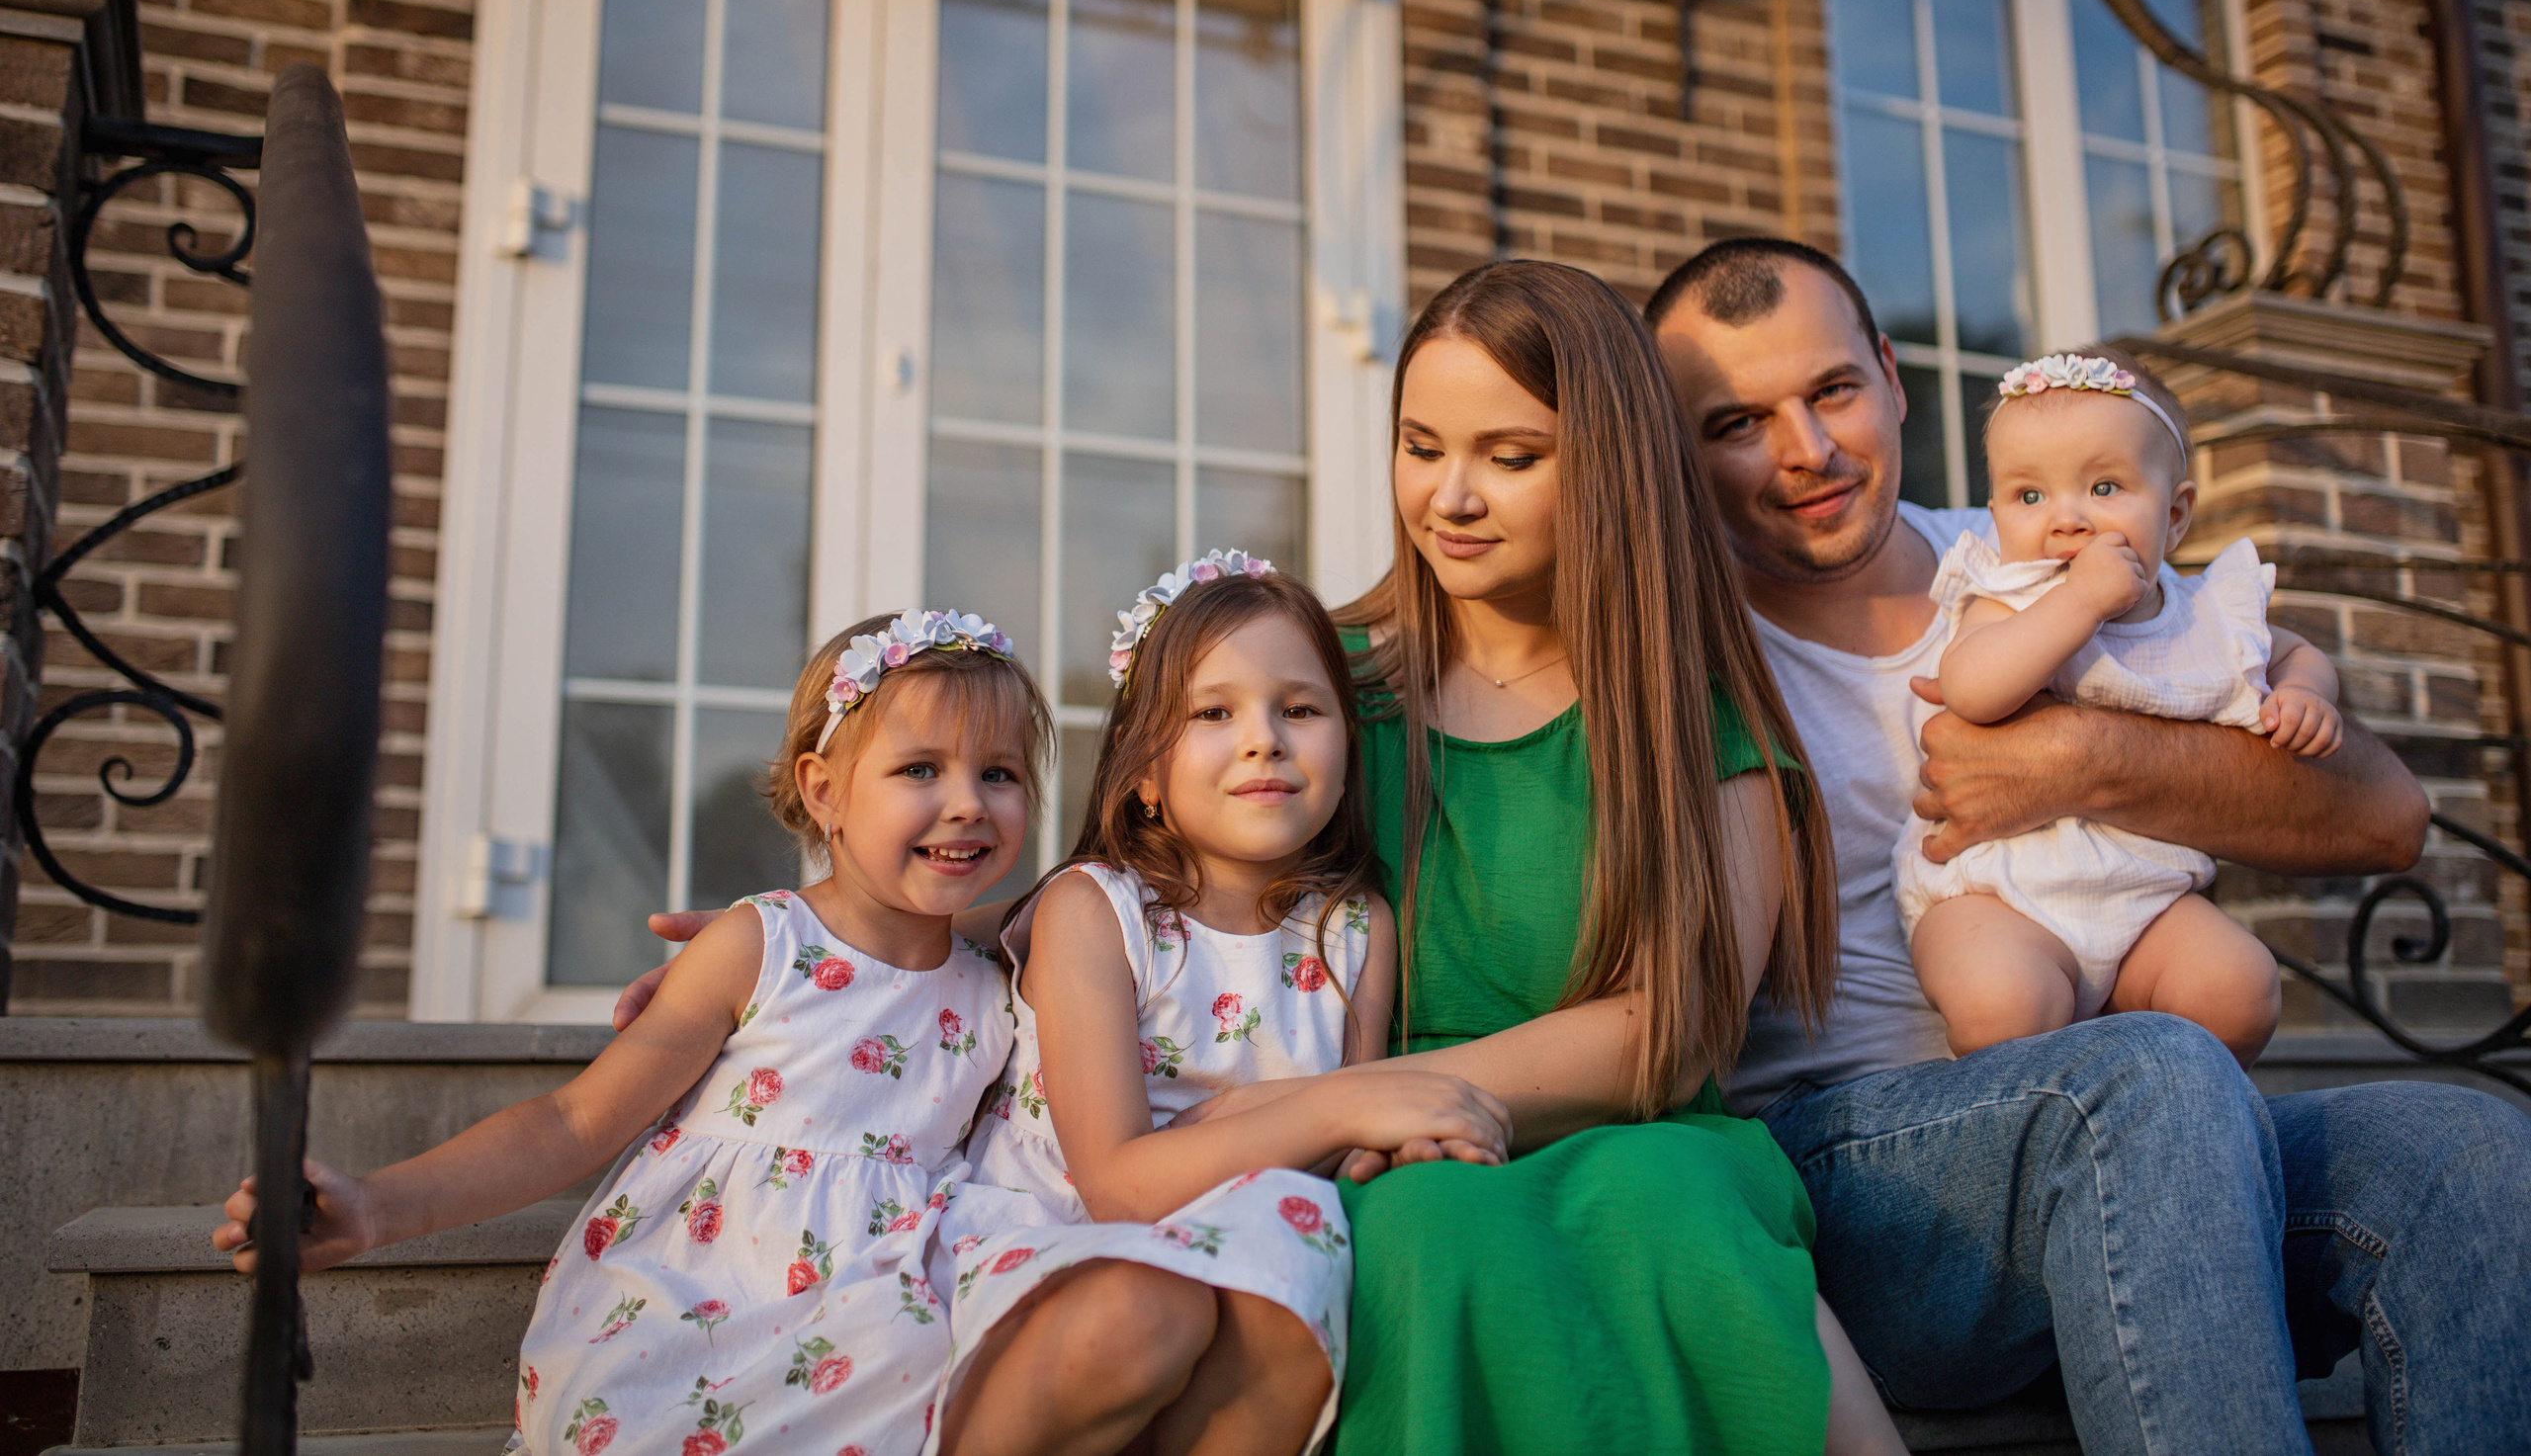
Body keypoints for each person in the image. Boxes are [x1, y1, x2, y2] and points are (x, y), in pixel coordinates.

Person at [629, 261, 1908, 1456]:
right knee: (1427, 1231)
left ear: (1613, 468)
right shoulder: (1309, 687)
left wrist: (1364, 1097)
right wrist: (824, 939)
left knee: (1668, 1207)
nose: (1450, 498)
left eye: (1510, 457)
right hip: (1361, 1156)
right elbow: (1138, 892)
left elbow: (1671, 1031)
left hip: (1600, 1126)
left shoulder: (1695, 727)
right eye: (1421, 447)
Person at [1649, 234, 2531, 1456]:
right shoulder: (1671, 655)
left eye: (1832, 390)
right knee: (2155, 1074)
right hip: (1863, 1180)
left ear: (1892, 378)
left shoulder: (2048, 539)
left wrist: (2082, 758)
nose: (1806, 450)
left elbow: (2383, 815)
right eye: (1736, 422)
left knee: (2463, 1152)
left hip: (2143, 1136)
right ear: (1675, 447)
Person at [217, 609, 1049, 1456]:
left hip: (880, 1314)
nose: (967, 804)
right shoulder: (760, 946)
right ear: (823, 789)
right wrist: (375, 1207)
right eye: (919, 768)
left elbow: (1074, 905)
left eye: (1000, 772)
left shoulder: (996, 983)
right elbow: (571, 1121)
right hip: (696, 1305)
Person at [928, 555, 1510, 1456]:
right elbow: (1117, 1183)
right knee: (1147, 1312)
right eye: (1213, 713)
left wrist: (1401, 1135)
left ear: (1347, 753)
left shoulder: (1356, 927)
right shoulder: (1097, 911)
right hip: (1064, 1252)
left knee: (1296, 1299)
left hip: (1241, 1261)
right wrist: (1347, 1105)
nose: (1264, 739)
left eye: (1301, 709)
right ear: (1145, 773)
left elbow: (1348, 1150)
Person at [1896, 347, 2328, 1067]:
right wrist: (2083, 600)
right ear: (1994, 511)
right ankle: (2038, 1105)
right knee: (2003, 1004)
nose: (2066, 520)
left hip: (2148, 900)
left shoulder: (2204, 614)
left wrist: (2306, 692)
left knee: (2239, 986)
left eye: (2104, 487)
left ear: (2176, 514)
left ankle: (2165, 1093)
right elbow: (1971, 687)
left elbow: (2294, 651)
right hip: (2001, 897)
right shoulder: (2008, 596)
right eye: (2029, 496)